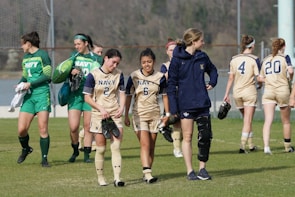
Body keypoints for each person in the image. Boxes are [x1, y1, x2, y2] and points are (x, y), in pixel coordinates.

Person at [167, 28, 218, 181]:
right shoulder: (177, 59)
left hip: (202, 103)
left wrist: (213, 82)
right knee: (187, 137)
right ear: (194, 41)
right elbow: (171, 85)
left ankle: (203, 169)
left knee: (206, 136)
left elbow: (213, 70)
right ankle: (190, 171)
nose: (203, 42)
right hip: (186, 104)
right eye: (201, 40)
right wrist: (173, 108)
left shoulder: (202, 56)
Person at [124, 48, 167, 184]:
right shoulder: (134, 76)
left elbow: (165, 96)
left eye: (149, 62)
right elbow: (128, 96)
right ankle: (147, 173)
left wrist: (167, 113)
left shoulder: (160, 77)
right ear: (140, 63)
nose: (146, 64)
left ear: (153, 62)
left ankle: (147, 172)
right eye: (144, 62)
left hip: (154, 114)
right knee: (145, 144)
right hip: (139, 114)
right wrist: (126, 115)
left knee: (152, 146)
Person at [83, 48, 126, 187]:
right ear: (106, 58)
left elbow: (122, 93)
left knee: (116, 146)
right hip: (98, 115)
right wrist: (100, 108)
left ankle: (117, 178)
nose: (115, 66)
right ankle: (101, 178)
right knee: (101, 149)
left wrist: (122, 107)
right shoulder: (93, 75)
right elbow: (87, 98)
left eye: (117, 64)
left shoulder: (119, 75)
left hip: (115, 113)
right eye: (113, 62)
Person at [16, 31, 52, 167]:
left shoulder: (43, 55)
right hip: (29, 96)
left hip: (42, 94)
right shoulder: (25, 58)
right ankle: (26, 149)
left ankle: (44, 159)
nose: (22, 47)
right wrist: (20, 84)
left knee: (42, 128)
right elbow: (25, 76)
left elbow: (48, 75)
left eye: (22, 44)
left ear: (28, 43)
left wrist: (30, 84)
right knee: (21, 130)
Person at [67, 33, 103, 163]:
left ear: (86, 43)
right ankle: (75, 149)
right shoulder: (73, 57)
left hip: (89, 96)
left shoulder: (96, 59)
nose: (76, 46)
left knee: (88, 126)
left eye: (79, 44)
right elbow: (64, 73)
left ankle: (87, 155)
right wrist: (71, 72)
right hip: (75, 96)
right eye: (75, 44)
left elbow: (102, 75)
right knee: (73, 127)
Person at [223, 35, 261, 154]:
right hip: (249, 92)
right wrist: (261, 84)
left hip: (237, 93)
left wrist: (226, 93)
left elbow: (230, 78)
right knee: (248, 120)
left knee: (246, 119)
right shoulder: (255, 59)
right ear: (252, 45)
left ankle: (251, 145)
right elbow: (259, 77)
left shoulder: (234, 59)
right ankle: (242, 146)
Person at [259, 38, 294, 154]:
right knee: (286, 121)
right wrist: (290, 80)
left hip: (268, 91)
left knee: (268, 120)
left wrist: (268, 80)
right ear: (283, 47)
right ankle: (288, 146)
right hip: (282, 90)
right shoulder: (285, 57)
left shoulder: (265, 59)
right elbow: (290, 71)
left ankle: (266, 147)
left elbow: (260, 77)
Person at [78, 42, 104, 152]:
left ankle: (87, 141)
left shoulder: (100, 64)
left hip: (96, 95)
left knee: (92, 121)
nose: (100, 54)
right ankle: (84, 139)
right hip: (86, 96)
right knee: (90, 121)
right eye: (98, 52)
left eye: (101, 52)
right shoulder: (87, 63)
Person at [160, 38, 183, 158]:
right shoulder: (165, 66)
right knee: (176, 123)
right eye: (171, 50)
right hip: (171, 95)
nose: (173, 52)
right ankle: (177, 149)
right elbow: (162, 80)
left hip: (183, 95)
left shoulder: (183, 63)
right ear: (167, 52)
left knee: (185, 124)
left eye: (175, 49)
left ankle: (163, 126)